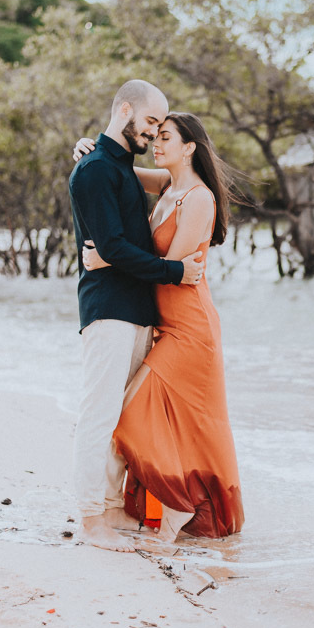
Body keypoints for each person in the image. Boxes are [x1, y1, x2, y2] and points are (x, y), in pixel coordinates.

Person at [74, 112, 244, 542]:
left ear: (189, 147)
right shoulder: (168, 186)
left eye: (166, 136)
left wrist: (107, 257)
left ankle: (175, 505)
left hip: (191, 327)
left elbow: (173, 269)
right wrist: (87, 149)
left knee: (132, 410)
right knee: (162, 418)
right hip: (163, 325)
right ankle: (171, 506)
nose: (156, 141)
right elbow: (117, 170)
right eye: (156, 134)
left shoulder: (199, 199)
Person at [68, 80, 205, 553]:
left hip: (136, 311)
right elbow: (111, 248)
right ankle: (89, 520)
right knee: (98, 416)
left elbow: (129, 241)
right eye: (149, 122)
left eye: (158, 128)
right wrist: (177, 271)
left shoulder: (119, 167)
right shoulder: (95, 170)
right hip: (108, 310)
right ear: (124, 109)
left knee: (120, 420)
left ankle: (109, 509)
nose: (152, 133)